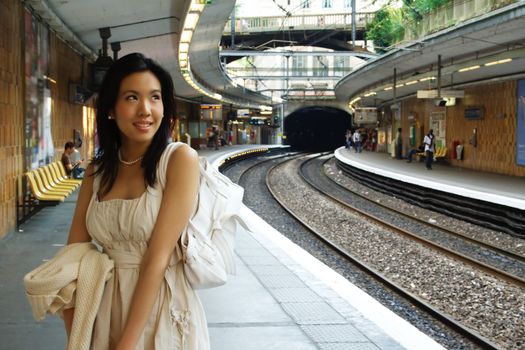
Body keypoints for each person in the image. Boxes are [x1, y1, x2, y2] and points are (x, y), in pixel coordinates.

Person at [63, 53, 209, 349]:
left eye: (155, 98)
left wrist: (126, 344)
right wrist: (75, 327)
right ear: (110, 110)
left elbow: (156, 260)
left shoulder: (178, 160)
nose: (145, 110)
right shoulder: (97, 170)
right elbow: (73, 254)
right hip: (102, 307)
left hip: (160, 308)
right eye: (132, 97)